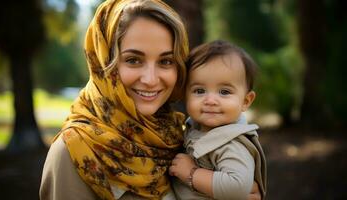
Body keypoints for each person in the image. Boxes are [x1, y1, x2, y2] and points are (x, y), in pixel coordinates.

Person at [39, 0, 262, 199]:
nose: (150, 79)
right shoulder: (74, 151)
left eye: (166, 61)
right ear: (105, 62)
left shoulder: (176, 135)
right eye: (134, 60)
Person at [169, 40, 267, 200]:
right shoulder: (194, 128)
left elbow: (238, 187)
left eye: (224, 92)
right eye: (199, 90)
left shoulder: (231, 143)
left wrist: (191, 173)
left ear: (246, 101)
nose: (210, 100)